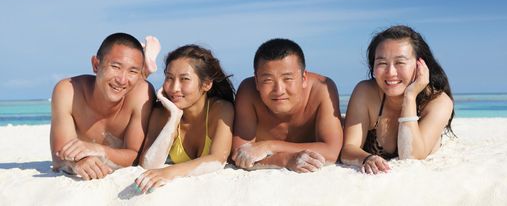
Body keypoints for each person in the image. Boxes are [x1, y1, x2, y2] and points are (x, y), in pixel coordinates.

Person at [341, 25, 454, 174]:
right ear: (372, 66)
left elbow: (410, 157)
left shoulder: (439, 103)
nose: (390, 72)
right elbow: (348, 150)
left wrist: (410, 96)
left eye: (400, 62)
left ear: (420, 65)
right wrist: (367, 158)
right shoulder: (366, 92)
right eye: (382, 63)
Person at [50, 33, 156, 180]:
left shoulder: (142, 94)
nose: (122, 79)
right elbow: (58, 156)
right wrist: (78, 162)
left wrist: (98, 150)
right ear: (95, 64)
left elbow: (135, 156)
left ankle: (145, 69)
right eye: (115, 66)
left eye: (133, 71)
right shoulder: (68, 92)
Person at [134, 44, 235, 193]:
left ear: (206, 84)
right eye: (169, 78)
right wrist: (174, 118)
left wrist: (169, 173)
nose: (174, 88)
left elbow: (217, 160)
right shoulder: (162, 113)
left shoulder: (221, 110)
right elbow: (149, 164)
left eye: (184, 79)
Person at [232, 38, 343, 173]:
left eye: (288, 79)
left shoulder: (322, 88)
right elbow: (240, 154)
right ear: (256, 81)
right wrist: (284, 159)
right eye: (268, 80)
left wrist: (269, 146)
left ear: (303, 78)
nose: (279, 90)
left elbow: (331, 151)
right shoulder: (248, 91)